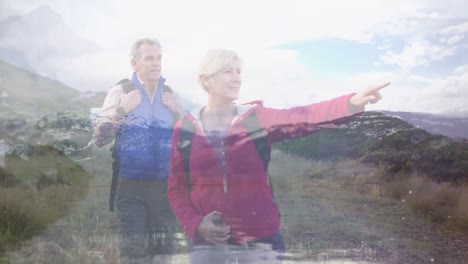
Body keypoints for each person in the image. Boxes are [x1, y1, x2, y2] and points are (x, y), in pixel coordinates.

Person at [167, 49, 390, 263]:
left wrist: (350, 104)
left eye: (238, 71)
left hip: (260, 240)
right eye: (228, 71)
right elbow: (176, 188)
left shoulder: (256, 119)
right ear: (206, 80)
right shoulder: (184, 128)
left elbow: (303, 117)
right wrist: (195, 225)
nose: (237, 78)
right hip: (207, 244)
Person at [93, 38, 184, 264]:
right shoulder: (122, 91)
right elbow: (99, 139)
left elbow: (188, 143)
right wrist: (123, 109)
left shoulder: (170, 95)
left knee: (162, 257)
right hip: (131, 188)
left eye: (159, 58)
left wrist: (180, 113)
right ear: (134, 63)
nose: (156, 64)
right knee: (133, 257)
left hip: (165, 190)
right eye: (149, 58)